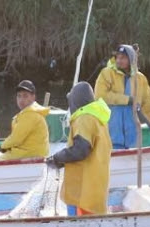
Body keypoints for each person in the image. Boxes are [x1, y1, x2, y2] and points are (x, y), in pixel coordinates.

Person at [47, 82, 113, 216]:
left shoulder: (84, 118)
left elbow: (80, 150)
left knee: (78, 224)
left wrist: (57, 157)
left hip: (82, 192)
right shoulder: (98, 119)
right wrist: (61, 161)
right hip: (95, 186)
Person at [95, 44, 150, 149]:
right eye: (118, 57)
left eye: (123, 58)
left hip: (133, 137)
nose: (119, 60)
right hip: (112, 133)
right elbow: (100, 96)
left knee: (134, 148)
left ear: (131, 60)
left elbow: (149, 107)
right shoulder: (106, 73)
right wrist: (127, 100)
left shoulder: (140, 79)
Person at [0, 79, 49, 160]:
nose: (21, 99)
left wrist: (2, 146)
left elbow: (16, 139)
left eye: (25, 96)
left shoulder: (30, 115)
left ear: (33, 97)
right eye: (19, 96)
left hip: (29, 154)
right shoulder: (31, 112)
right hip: (34, 153)